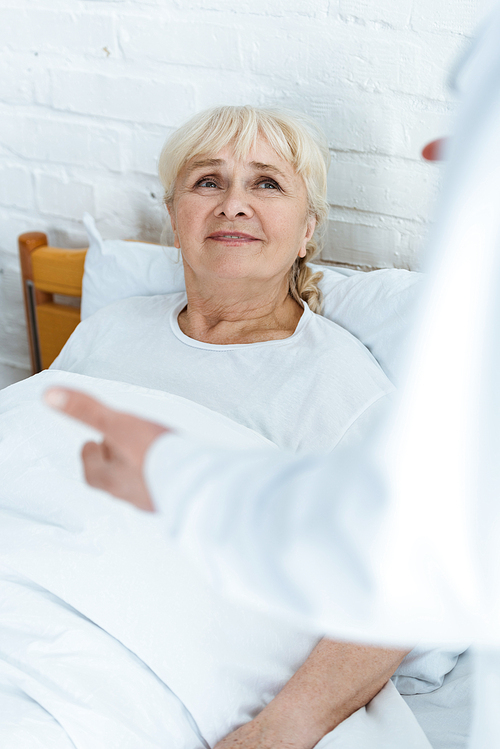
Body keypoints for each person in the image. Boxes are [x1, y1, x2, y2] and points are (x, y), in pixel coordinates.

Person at [49, 106, 418, 748]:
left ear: (307, 230)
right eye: (208, 182)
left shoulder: (339, 389)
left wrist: (276, 732)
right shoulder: (107, 331)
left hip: (160, 655)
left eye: (267, 183)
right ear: (174, 216)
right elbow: (33, 465)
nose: (233, 205)